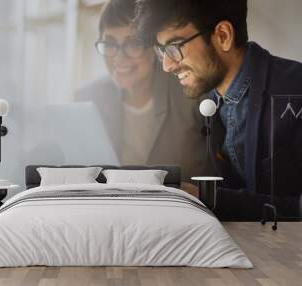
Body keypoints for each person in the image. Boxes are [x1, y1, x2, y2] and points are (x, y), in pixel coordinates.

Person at [133, 0, 302, 219]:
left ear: (223, 36)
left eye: (174, 47)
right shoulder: (212, 98)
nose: (167, 65)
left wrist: (209, 199)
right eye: (162, 50)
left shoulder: (294, 92)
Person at [76, 0, 209, 184]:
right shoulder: (87, 98)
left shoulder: (191, 92)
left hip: (175, 207)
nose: (119, 57)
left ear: (154, 47)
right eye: (110, 43)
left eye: (132, 44)